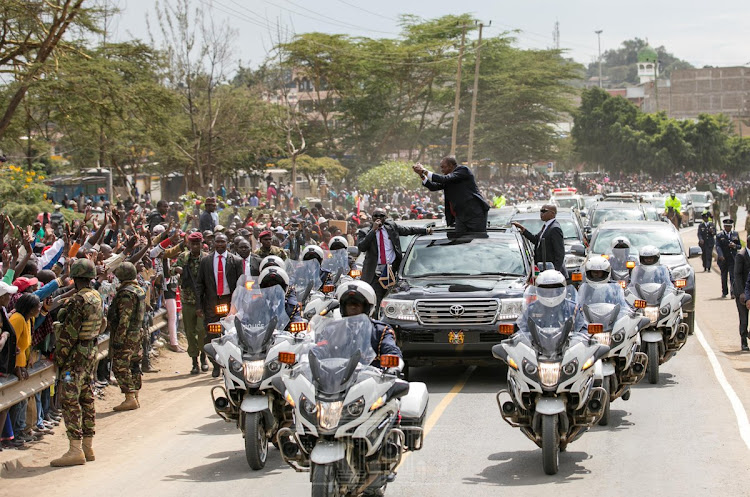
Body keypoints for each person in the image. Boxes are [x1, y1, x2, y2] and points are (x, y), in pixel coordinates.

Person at [51, 259, 105, 467]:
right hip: (90, 350)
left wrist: (60, 358)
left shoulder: (77, 301)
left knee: (70, 400)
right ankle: (87, 447)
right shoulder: (96, 296)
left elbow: (69, 335)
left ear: (75, 278)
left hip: (75, 356)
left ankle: (75, 450)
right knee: (86, 397)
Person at [357, 208, 431, 306]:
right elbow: (362, 247)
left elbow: (408, 230)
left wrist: (425, 230)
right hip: (375, 273)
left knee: (392, 300)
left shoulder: (391, 227)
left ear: (386, 217)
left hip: (392, 271)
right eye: (376, 216)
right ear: (372, 217)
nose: (378, 218)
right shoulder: (365, 231)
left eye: (381, 216)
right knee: (377, 301)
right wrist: (373, 230)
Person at [196, 233, 242, 377]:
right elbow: (199, 284)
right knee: (212, 334)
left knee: (231, 334)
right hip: (211, 302)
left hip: (230, 302)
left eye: (223, 242)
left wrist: (239, 304)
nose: (220, 244)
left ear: (227, 243)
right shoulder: (206, 261)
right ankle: (215, 364)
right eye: (218, 242)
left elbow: (241, 286)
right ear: (213, 243)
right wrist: (199, 305)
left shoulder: (236, 261)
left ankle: (231, 365)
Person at [334, 280, 402, 369]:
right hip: (337, 379)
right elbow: (321, 349)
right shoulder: (333, 330)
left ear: (367, 307)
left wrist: (394, 367)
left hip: (371, 381)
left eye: (357, 304)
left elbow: (392, 350)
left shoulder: (381, 331)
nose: (353, 307)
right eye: (349, 304)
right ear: (343, 307)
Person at [412, 157, 490, 233]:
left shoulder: (463, 170)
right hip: (460, 216)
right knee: (460, 241)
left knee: (477, 239)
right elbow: (433, 187)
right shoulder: (449, 179)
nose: (442, 170)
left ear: (451, 166)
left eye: (443, 167)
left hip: (474, 213)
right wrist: (421, 175)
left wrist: (424, 171)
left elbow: (444, 179)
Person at [108, 262, 146, 411]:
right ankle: (135, 394)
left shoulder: (126, 293)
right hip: (137, 333)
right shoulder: (138, 289)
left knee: (120, 366)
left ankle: (129, 396)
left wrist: (119, 339)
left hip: (128, 335)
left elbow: (124, 318)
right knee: (134, 364)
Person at [174, 232, 209, 374]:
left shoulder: (206, 258)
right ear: (188, 244)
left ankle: (203, 357)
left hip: (203, 300)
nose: (195, 246)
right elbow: (171, 270)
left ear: (201, 244)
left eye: (197, 243)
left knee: (202, 331)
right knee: (190, 332)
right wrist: (177, 270)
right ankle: (194, 361)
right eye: (192, 243)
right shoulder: (184, 257)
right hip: (188, 300)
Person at [516, 270, 586, 335]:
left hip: (568, 346)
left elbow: (583, 329)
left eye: (555, 288)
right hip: (537, 346)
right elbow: (522, 330)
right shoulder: (531, 309)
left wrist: (589, 336)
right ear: (538, 290)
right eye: (545, 289)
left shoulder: (573, 308)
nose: (550, 291)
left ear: (562, 289)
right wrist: (517, 336)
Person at [512, 204, 567, 277]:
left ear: (552, 213)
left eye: (544, 211)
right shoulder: (547, 226)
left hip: (551, 274)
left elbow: (560, 253)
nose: (541, 213)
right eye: (541, 211)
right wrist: (523, 230)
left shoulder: (555, 228)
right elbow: (536, 240)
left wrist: (555, 272)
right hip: (544, 271)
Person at [716, 218, 740, 298]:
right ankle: (724, 292)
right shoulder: (720, 236)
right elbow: (718, 246)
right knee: (724, 276)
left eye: (730, 226)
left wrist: (735, 246)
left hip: (732, 259)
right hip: (723, 259)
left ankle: (733, 292)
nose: (728, 228)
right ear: (724, 227)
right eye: (727, 226)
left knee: (733, 276)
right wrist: (720, 255)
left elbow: (739, 246)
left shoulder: (735, 234)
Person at [735, 236, 750, 352]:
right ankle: (744, 342)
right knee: (744, 318)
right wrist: (742, 293)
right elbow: (738, 275)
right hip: (743, 292)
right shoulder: (741, 255)